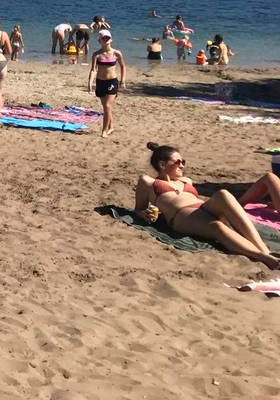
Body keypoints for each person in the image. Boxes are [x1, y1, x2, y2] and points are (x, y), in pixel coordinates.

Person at [135, 143, 279, 269]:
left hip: (202, 208)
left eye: (183, 161)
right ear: (162, 164)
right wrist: (145, 214)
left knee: (223, 194)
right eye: (178, 162)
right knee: (216, 226)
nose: (182, 165)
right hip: (181, 216)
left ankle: (264, 249)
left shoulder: (186, 180)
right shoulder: (148, 181)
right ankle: (264, 257)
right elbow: (139, 210)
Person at [87, 29, 125, 137]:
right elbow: (93, 70)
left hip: (112, 81)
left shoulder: (116, 53)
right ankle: (111, 126)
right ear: (100, 41)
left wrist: (123, 81)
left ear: (111, 39)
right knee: (105, 107)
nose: (106, 39)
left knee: (108, 105)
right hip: (100, 82)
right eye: (103, 38)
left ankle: (104, 131)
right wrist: (90, 83)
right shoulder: (97, 55)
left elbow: (123, 66)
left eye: (107, 37)